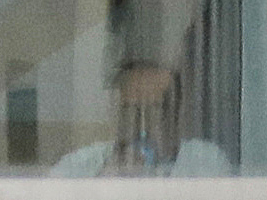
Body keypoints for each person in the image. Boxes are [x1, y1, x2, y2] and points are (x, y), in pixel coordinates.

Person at [49, 59, 232, 178]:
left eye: (154, 110)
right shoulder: (79, 166)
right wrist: (102, 187)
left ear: (176, 115)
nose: (141, 122)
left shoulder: (205, 162)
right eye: (131, 110)